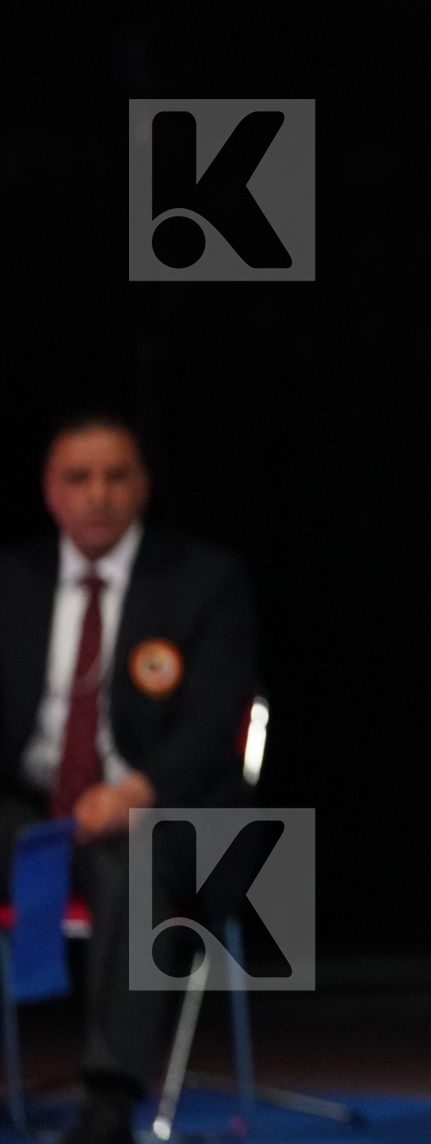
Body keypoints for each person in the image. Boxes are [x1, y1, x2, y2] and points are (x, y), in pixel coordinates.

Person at [0, 411, 258, 1144]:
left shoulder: (203, 580)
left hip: (164, 807)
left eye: (116, 476)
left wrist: (132, 792)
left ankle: (110, 1100)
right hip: (29, 806)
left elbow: (215, 720)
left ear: (143, 486)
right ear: (50, 491)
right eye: (78, 478)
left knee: (129, 865)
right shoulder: (12, 581)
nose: (98, 494)